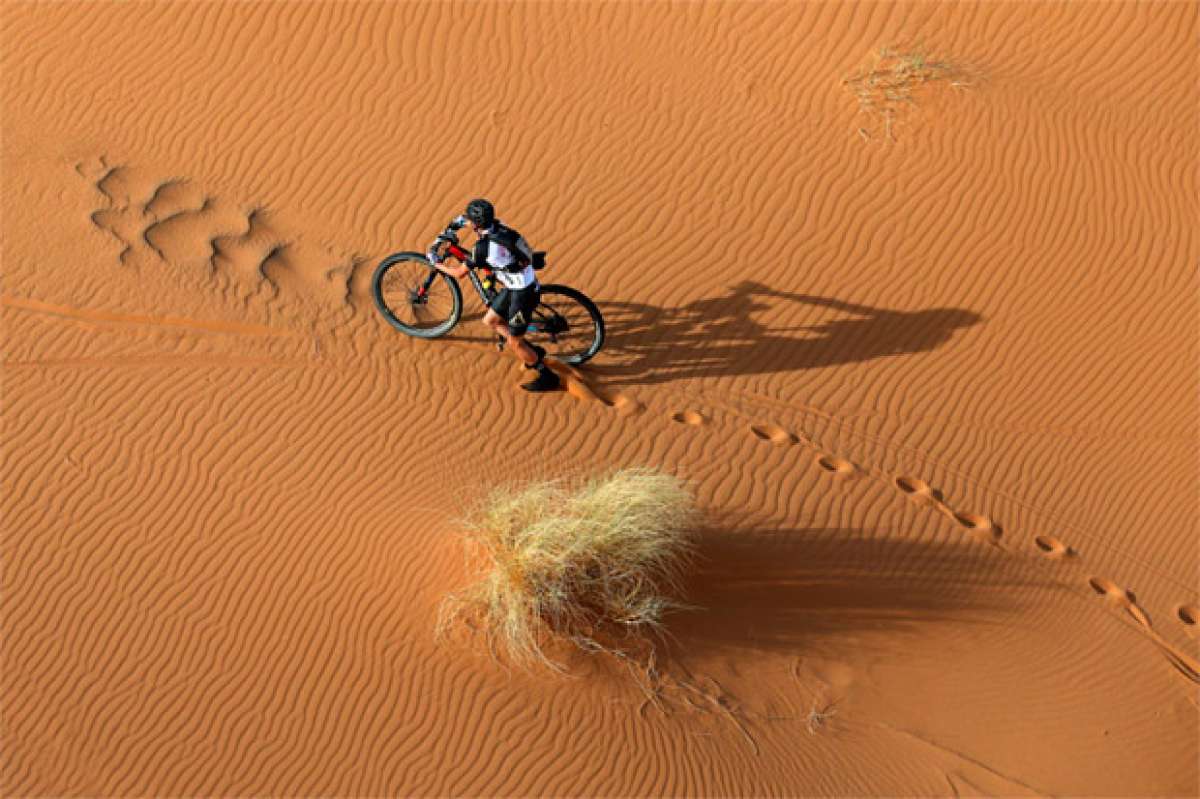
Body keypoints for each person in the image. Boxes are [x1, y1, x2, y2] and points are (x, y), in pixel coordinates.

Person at [429, 198, 561, 392]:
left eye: (470, 220)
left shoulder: (482, 249)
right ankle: (527, 346)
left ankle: (545, 374)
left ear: (476, 224)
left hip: (521, 293)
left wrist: (435, 263)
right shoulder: (500, 225)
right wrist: (454, 225)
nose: (467, 221)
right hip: (520, 281)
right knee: (490, 321)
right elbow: (465, 221)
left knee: (514, 343)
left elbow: (459, 273)